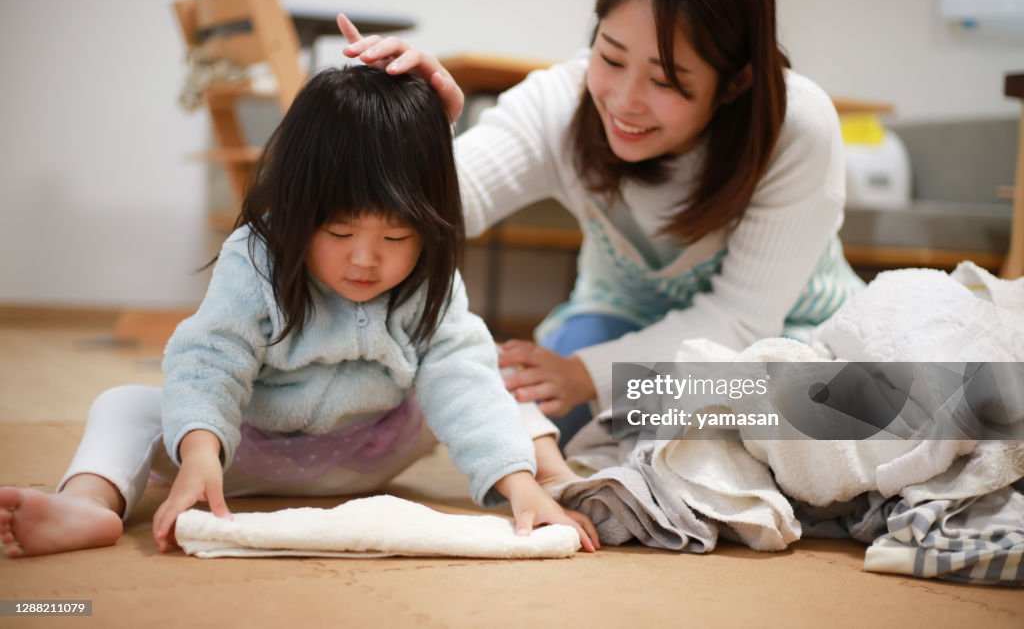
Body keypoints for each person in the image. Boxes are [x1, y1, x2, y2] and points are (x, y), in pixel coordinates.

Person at [0, 66, 597, 558]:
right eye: (338, 230)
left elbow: (459, 381)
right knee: (124, 405)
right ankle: (88, 503)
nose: (366, 261)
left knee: (492, 374)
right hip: (246, 455)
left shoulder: (431, 276)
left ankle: (545, 483)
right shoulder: (257, 258)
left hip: (376, 450)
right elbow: (212, 356)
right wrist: (202, 450)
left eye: (396, 238)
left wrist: (511, 481)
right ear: (295, 208)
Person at [336, 0, 864, 447]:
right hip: (615, 324)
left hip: (778, 341)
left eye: (666, 80)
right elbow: (434, 209)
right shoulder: (560, 103)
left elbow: (739, 323)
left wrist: (589, 376)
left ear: (734, 83)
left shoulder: (796, 126)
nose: (625, 102)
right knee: (534, 419)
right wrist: (412, 127)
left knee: (820, 410)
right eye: (610, 59)